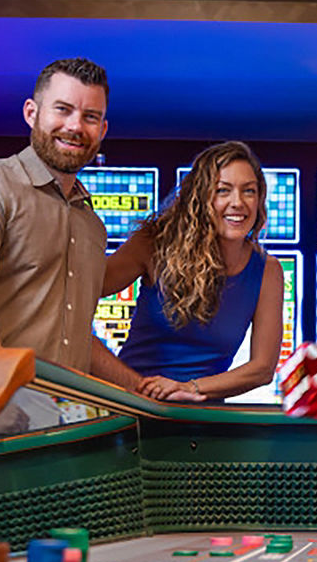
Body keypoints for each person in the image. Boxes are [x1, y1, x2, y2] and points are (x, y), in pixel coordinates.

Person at [0, 57, 142, 431]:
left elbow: (74, 337)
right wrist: (4, 387)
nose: (75, 126)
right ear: (32, 112)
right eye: (63, 110)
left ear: (103, 129)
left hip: (55, 427)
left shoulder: (91, 225)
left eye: (90, 117)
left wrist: (141, 388)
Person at [103, 141, 284, 402]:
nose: (238, 202)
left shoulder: (268, 270)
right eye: (223, 191)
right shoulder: (153, 243)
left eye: (249, 191)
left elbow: (262, 369)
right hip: (131, 403)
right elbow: (77, 297)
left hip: (202, 414)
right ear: (200, 197)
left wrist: (190, 387)